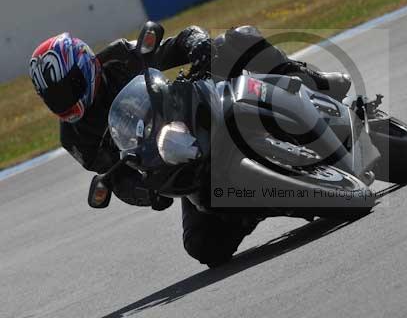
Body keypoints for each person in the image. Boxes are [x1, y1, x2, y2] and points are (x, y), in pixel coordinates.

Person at [28, 25, 351, 266]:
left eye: (67, 89)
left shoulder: (120, 58)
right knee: (203, 247)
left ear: (84, 66)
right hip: (175, 156)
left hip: (197, 109)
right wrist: (146, 193)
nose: (65, 101)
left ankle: (312, 82)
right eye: (54, 97)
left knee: (236, 39)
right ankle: (254, 206)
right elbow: (115, 177)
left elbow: (179, 41)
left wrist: (197, 45)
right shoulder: (74, 139)